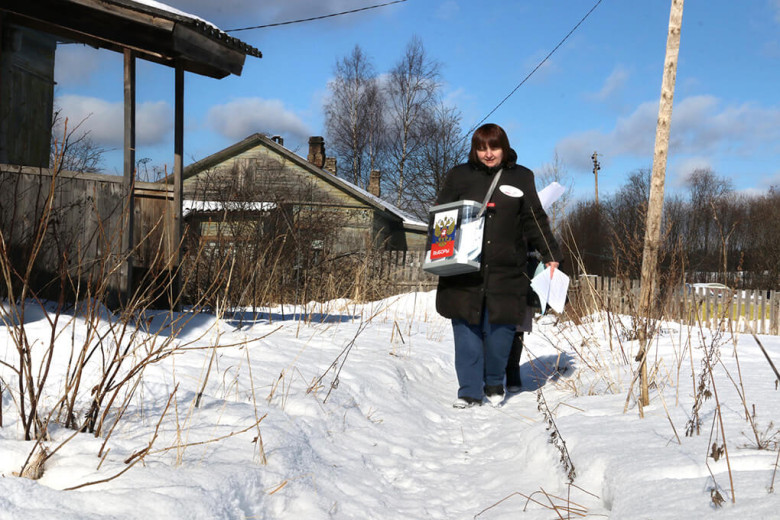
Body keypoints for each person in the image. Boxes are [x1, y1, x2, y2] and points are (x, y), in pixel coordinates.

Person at [433, 123, 562, 408]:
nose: (488, 154)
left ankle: (494, 381)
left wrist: (550, 252)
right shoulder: (459, 175)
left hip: (507, 269)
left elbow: (534, 218)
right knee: (465, 329)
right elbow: (441, 216)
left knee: (500, 331)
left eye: (494, 147)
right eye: (481, 148)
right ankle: (469, 391)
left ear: (504, 147)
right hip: (465, 269)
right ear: (474, 150)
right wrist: (441, 248)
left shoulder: (521, 177)